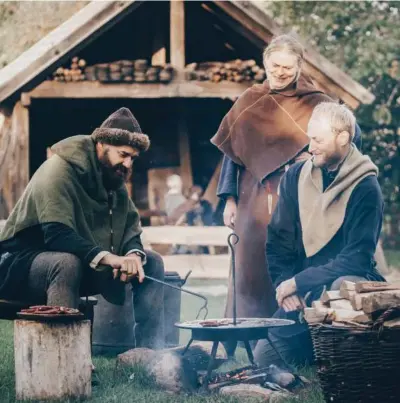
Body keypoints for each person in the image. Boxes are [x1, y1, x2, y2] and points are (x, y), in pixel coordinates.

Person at [211, 34, 362, 323]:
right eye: (275, 65)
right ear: (265, 62)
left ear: (299, 66)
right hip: (252, 194)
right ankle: (247, 328)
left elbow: (349, 134)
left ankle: (294, 330)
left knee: (295, 256)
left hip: (301, 192)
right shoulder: (250, 100)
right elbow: (232, 152)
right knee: (249, 264)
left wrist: (315, 158)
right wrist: (229, 200)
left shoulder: (316, 102)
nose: (280, 72)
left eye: (287, 67)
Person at [0, 107, 165, 348]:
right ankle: (64, 358)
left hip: (81, 262)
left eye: (133, 158)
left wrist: (131, 255)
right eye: (123, 154)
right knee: (65, 263)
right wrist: (110, 258)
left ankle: (151, 355)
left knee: (152, 261)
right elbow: (56, 235)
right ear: (101, 144)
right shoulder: (58, 170)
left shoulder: (113, 178)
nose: (128, 163)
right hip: (18, 266)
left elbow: (130, 228)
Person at [254, 102, 385, 367]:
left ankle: (347, 358)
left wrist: (298, 282)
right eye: (309, 138)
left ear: (343, 138)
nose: (310, 147)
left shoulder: (366, 187)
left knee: (342, 287)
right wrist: (286, 284)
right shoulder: (295, 177)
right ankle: (318, 349)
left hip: (345, 285)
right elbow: (278, 240)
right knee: (264, 357)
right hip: (304, 289)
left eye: (317, 140)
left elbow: (357, 259)